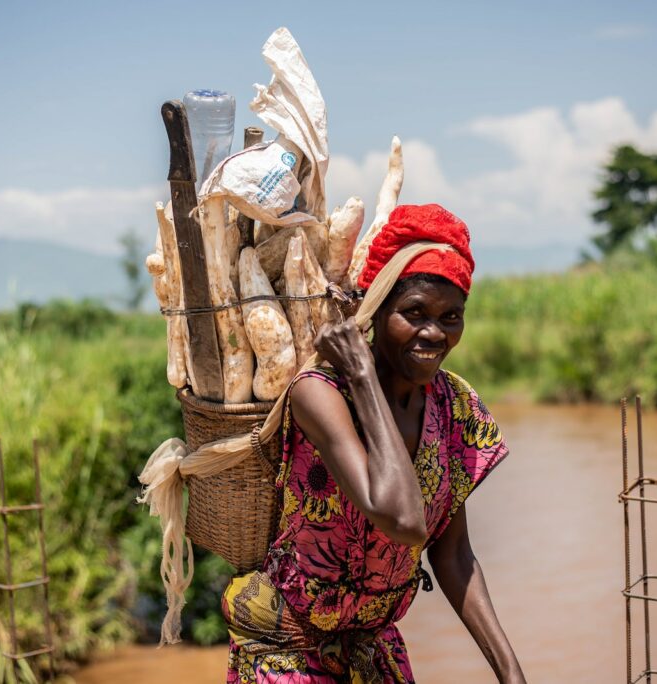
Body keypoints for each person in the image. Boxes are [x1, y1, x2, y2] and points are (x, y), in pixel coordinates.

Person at [223, 204, 526, 683]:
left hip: (373, 651)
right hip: (290, 651)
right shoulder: (322, 394)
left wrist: (510, 672)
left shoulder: (455, 408)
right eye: (414, 313)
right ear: (378, 307)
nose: (434, 333)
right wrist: (363, 376)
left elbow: (452, 553)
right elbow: (403, 519)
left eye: (451, 316)